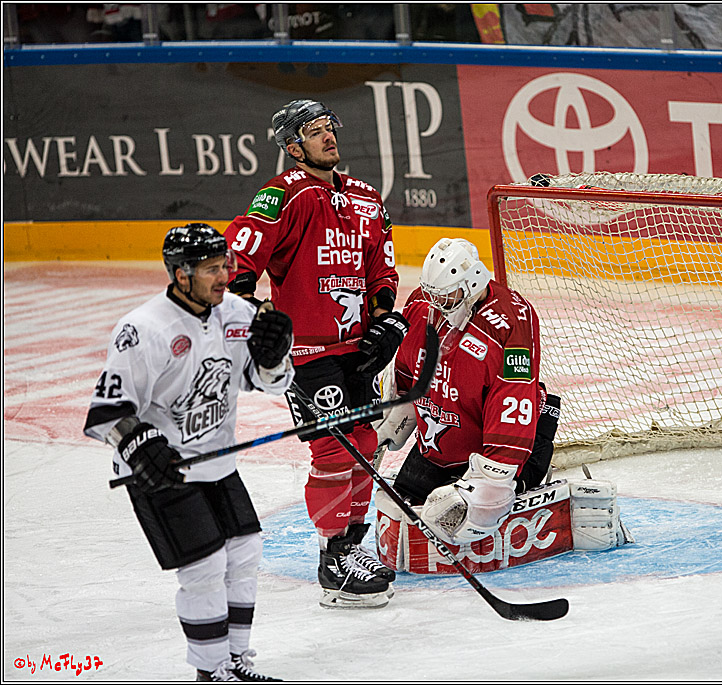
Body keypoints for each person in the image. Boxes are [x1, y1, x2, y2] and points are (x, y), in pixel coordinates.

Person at [84, 223, 295, 681]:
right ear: (181, 275)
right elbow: (106, 414)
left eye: (227, 266)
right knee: (204, 567)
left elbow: (270, 383)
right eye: (211, 269)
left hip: (217, 462)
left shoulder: (237, 313)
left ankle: (236, 662)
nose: (225, 276)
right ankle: (210, 669)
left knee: (244, 552)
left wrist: (275, 356)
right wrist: (141, 445)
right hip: (164, 472)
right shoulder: (142, 329)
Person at [223, 99, 406, 609]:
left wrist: (385, 320)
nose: (327, 137)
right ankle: (333, 558)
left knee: (366, 442)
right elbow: (239, 263)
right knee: (333, 449)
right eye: (313, 131)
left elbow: (381, 271)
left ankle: (353, 545)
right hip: (307, 352)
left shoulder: (369, 199)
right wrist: (252, 314)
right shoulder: (282, 196)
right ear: (292, 146)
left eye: (329, 128)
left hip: (359, 350)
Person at [375, 237, 561, 544]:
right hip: (441, 443)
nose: (437, 304)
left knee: (455, 520)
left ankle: (522, 477)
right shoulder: (424, 303)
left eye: (447, 297)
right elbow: (409, 372)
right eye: (432, 294)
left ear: (473, 283)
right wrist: (391, 421)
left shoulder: (510, 322)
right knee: (397, 512)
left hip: (497, 448)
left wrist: (492, 484)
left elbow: (514, 401)